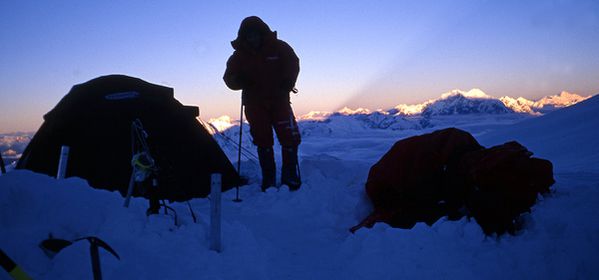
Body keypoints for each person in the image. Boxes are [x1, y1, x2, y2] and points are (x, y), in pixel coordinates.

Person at [223, 16, 301, 191]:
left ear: (262, 33)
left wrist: (289, 81)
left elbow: (293, 63)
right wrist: (238, 81)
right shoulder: (238, 57)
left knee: (289, 136)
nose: (253, 38)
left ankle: (290, 175)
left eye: (255, 34)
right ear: (244, 37)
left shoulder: (280, 47)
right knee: (262, 139)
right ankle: (269, 178)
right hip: (254, 104)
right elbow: (228, 79)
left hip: (279, 100)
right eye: (249, 36)